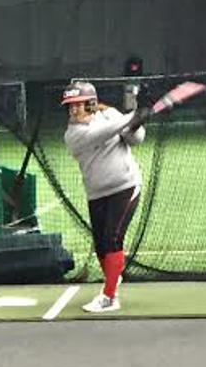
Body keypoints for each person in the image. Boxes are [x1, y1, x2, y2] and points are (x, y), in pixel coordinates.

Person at [62, 79, 146, 313]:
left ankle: (109, 297)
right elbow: (102, 134)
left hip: (125, 186)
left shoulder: (110, 115)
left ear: (91, 103)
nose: (73, 110)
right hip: (97, 193)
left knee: (112, 238)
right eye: (70, 106)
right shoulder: (73, 134)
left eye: (78, 104)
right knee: (100, 246)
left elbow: (136, 139)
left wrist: (137, 123)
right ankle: (113, 277)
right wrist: (132, 115)